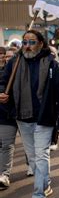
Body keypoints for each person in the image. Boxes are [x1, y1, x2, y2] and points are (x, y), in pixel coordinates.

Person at [0, 30, 59, 198]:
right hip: (22, 117)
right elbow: (3, 81)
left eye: (31, 42)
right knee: (33, 158)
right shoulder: (14, 63)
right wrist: (2, 93)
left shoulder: (54, 65)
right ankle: (46, 184)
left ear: (40, 44)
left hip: (44, 118)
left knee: (41, 155)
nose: (27, 46)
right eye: (25, 42)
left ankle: (38, 197)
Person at [0, 46, 16, 190]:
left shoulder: (13, 71)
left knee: (6, 145)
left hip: (9, 114)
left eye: (3, 55)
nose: (1, 57)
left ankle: (4, 175)